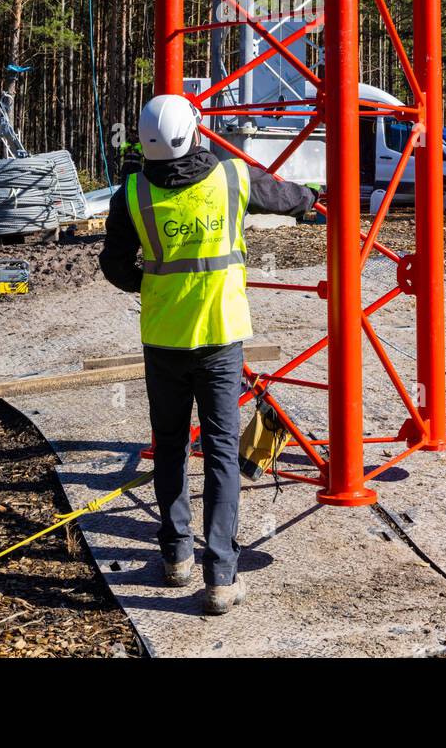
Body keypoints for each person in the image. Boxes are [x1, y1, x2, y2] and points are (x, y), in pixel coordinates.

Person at [99, 93, 318, 615]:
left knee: (170, 446)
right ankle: (220, 577)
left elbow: (115, 265)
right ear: (195, 132)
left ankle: (175, 557)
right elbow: (285, 197)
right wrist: (312, 195)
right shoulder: (232, 177)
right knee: (220, 453)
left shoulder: (131, 192)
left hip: (163, 339)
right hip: (220, 338)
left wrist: (148, 285)